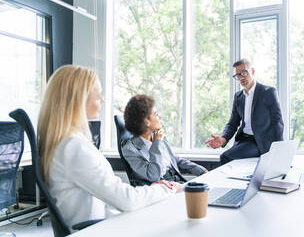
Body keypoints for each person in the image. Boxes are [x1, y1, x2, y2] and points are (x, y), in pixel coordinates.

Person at [37, 65, 183, 229]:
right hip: (97, 230)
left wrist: (154, 189)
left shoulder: (67, 142)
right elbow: (126, 200)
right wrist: (166, 189)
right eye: (98, 95)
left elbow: (114, 194)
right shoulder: (73, 147)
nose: (103, 100)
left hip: (101, 225)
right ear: (79, 100)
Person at [205, 58, 284, 165]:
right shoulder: (238, 97)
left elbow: (277, 122)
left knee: (225, 157)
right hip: (243, 140)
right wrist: (223, 139)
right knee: (229, 159)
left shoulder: (268, 92)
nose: (241, 77)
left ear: (253, 71)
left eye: (244, 72)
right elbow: (233, 123)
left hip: (260, 142)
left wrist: (278, 150)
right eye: (238, 75)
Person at [122, 94, 208, 185]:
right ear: (146, 122)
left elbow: (175, 159)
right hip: (161, 187)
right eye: (156, 114)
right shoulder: (130, 149)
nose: (160, 117)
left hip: (177, 181)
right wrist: (156, 143)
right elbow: (153, 176)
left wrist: (201, 171)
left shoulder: (158, 137)